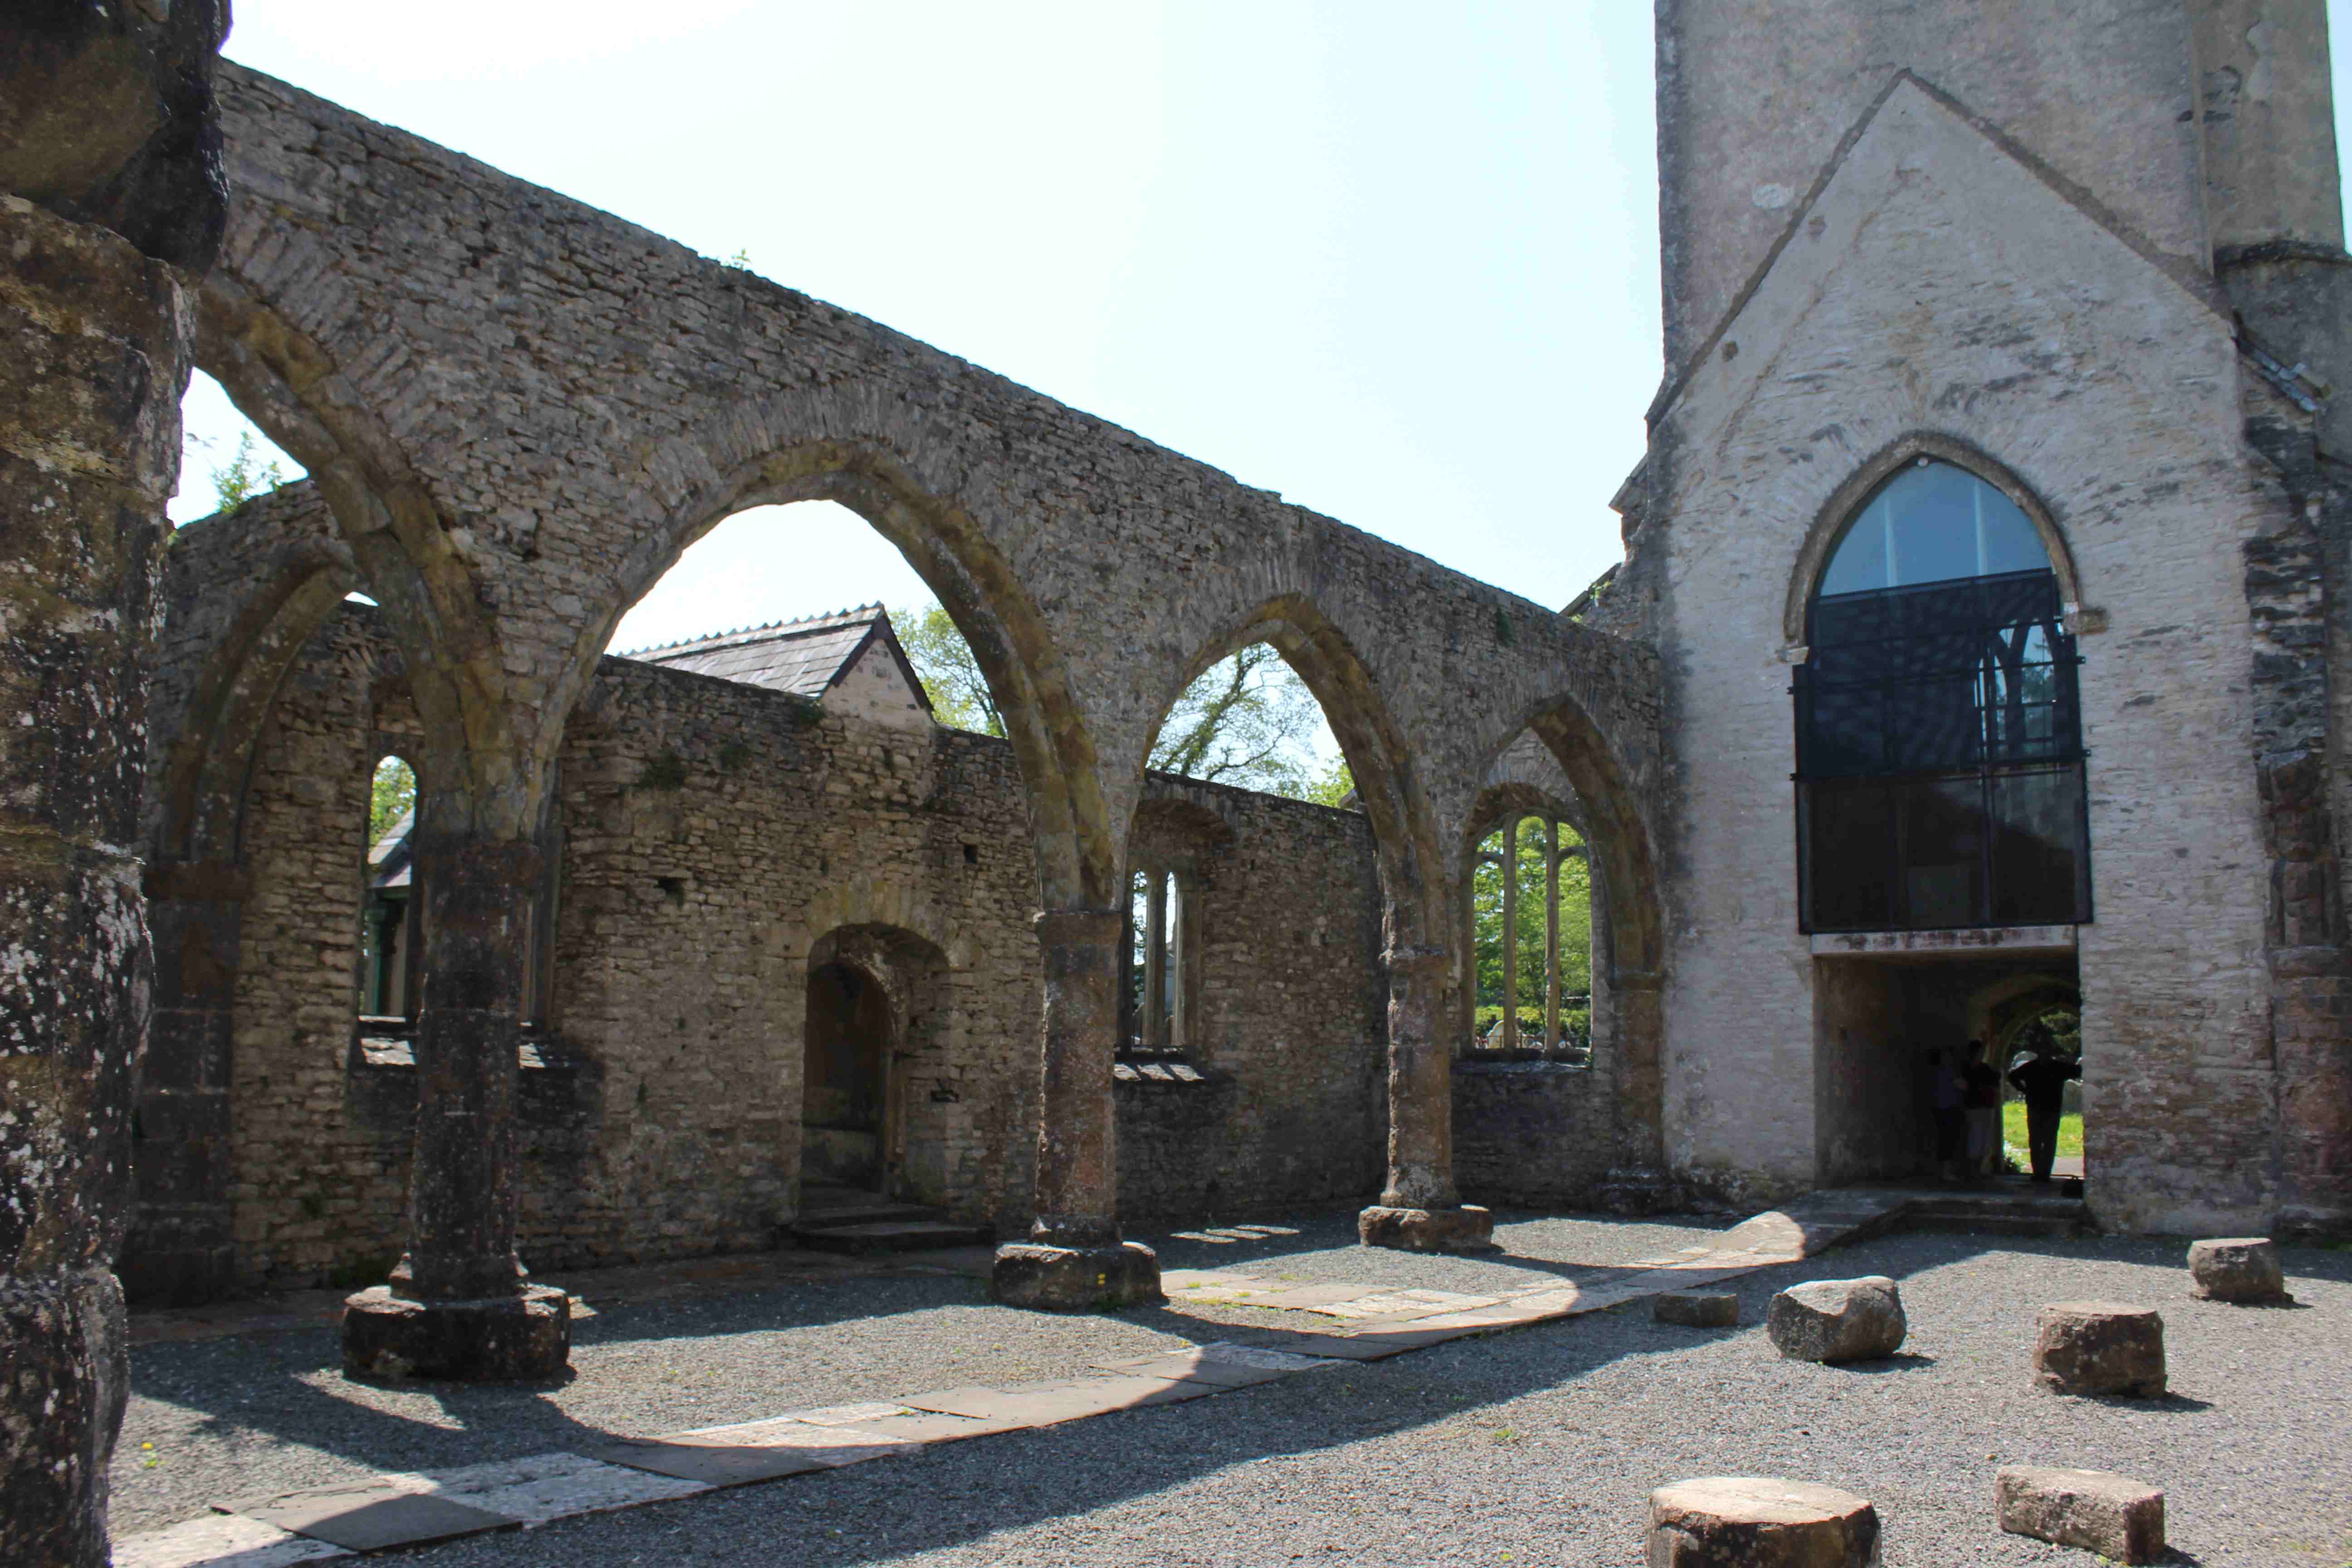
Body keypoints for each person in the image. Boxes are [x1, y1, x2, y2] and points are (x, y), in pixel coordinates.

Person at [2007, 1037, 2082, 1182]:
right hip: (2047, 1108)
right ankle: (2043, 1173)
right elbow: (2078, 1070)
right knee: (2045, 1141)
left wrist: (2024, 1090)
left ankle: (2041, 1173)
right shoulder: (2054, 1067)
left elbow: (2013, 1076)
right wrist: (2024, 1090)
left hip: (2041, 1107)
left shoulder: (2034, 1067)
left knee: (2040, 1140)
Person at [1960, 1039, 2001, 1179]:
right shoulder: (1966, 1069)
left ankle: (1978, 1168)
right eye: (1979, 1052)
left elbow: (1994, 1084)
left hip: (1985, 1106)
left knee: (1984, 1139)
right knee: (1975, 1138)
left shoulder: (1984, 1069)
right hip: (1974, 1107)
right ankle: (1973, 1170)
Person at [1928, 1046, 1964, 1182]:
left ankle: (1943, 1170)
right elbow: (1963, 1086)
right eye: (1948, 1056)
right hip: (1948, 1109)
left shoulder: (1935, 1072)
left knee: (1944, 1139)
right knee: (1949, 1140)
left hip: (1938, 1109)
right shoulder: (1950, 1072)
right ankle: (1946, 1171)